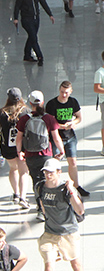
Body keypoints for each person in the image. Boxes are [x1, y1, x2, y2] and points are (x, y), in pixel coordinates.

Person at [16, 91, 65, 221]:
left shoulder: (24, 119)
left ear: (30, 103)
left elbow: (19, 138)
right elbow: (56, 137)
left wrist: (19, 152)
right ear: (42, 102)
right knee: (49, 181)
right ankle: (51, 207)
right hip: (46, 156)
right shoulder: (49, 118)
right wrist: (61, 151)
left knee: (36, 182)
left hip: (30, 156)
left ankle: (40, 209)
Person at [36, 158, 85, 271]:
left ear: (59, 172)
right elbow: (43, 206)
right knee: (49, 269)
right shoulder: (40, 187)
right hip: (50, 234)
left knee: (76, 265)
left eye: (51, 172)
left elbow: (80, 211)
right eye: (46, 172)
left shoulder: (65, 189)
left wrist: (72, 191)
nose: (48, 174)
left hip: (68, 233)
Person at [45, 82, 89, 197]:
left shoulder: (73, 102)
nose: (64, 95)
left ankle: (76, 186)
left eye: (66, 92)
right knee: (55, 162)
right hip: (55, 137)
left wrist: (73, 122)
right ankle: (54, 186)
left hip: (70, 136)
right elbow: (49, 122)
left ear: (71, 91)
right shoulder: (52, 104)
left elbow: (79, 117)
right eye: (62, 92)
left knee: (73, 161)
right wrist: (60, 126)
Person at [13, 0, 54, 66]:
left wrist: (50, 14)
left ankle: (27, 55)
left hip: (36, 18)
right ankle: (40, 57)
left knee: (32, 36)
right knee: (34, 38)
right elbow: (17, 6)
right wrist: (16, 18)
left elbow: (43, 3)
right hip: (26, 19)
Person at [0, 88, 31, 209]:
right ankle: (23, 197)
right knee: (24, 171)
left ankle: (16, 194)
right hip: (22, 147)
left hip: (7, 147)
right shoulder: (26, 112)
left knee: (13, 169)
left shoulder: (2, 113)